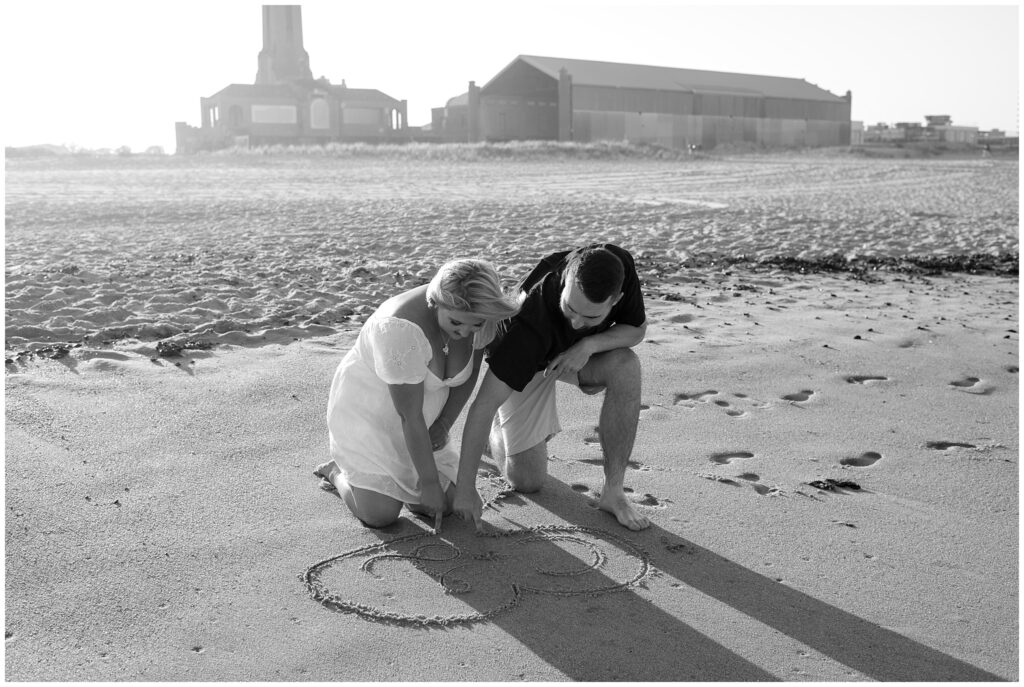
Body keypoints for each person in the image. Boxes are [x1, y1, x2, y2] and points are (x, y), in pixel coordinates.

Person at [452, 243, 650, 531]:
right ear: (566, 278)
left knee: (626, 366)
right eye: (570, 308)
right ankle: (497, 434)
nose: (577, 321)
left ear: (616, 299)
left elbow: (636, 329)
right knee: (528, 481)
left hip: (574, 356)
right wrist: (465, 489)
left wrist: (588, 343)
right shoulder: (529, 322)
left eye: (592, 317)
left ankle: (614, 492)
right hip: (529, 364)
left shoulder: (618, 267)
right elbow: (482, 406)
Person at [316, 259, 519, 530]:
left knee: (447, 507)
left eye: (475, 325)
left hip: (425, 416)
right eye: (456, 322)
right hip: (373, 416)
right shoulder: (400, 328)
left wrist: (444, 423)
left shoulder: (480, 317)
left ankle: (408, 484)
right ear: (436, 301)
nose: (464, 333)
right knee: (380, 515)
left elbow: (465, 377)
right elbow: (407, 415)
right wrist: (429, 483)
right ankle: (337, 472)